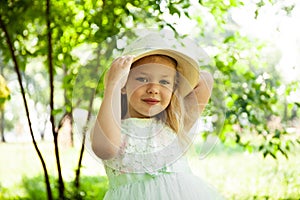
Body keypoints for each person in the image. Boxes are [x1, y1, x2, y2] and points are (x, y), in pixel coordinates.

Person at [91, 31, 223, 199]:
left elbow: (205, 80)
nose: (153, 88)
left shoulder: (171, 124)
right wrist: (113, 84)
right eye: (142, 79)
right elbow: (105, 149)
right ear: (124, 84)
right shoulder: (114, 127)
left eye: (164, 82)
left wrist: (177, 86)